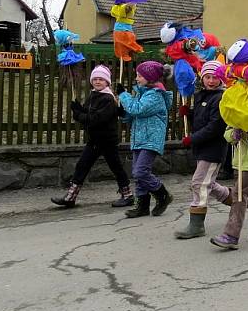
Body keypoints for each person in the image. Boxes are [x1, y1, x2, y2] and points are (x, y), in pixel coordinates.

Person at [52, 65, 133, 208]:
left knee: (116, 167)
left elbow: (97, 118)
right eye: (95, 79)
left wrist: (79, 115)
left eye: (101, 79)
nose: (97, 81)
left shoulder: (108, 99)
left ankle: (127, 195)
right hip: (94, 140)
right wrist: (78, 109)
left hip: (107, 140)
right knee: (82, 165)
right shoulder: (93, 95)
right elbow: (88, 113)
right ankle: (70, 197)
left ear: (107, 82)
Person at [175, 60, 232, 239]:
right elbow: (201, 119)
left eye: (215, 77)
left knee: (199, 183)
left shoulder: (221, 98)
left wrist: (192, 139)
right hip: (202, 148)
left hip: (213, 149)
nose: (211, 80)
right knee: (209, 183)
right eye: (207, 77)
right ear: (202, 77)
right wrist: (189, 114)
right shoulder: (201, 96)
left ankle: (197, 225)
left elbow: (215, 126)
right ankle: (237, 200)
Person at [118, 61, 175, 218]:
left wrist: (123, 95)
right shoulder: (143, 93)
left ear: (149, 77)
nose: (137, 78)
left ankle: (162, 194)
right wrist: (123, 113)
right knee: (138, 174)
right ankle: (142, 205)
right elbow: (134, 114)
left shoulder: (155, 95)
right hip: (140, 138)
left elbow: (138, 109)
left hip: (151, 138)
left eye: (140, 75)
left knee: (140, 171)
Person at [209, 124, 248, 250]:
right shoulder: (237, 112)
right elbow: (227, 134)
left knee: (239, 193)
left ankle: (231, 235)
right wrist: (233, 134)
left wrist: (247, 130)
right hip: (241, 161)